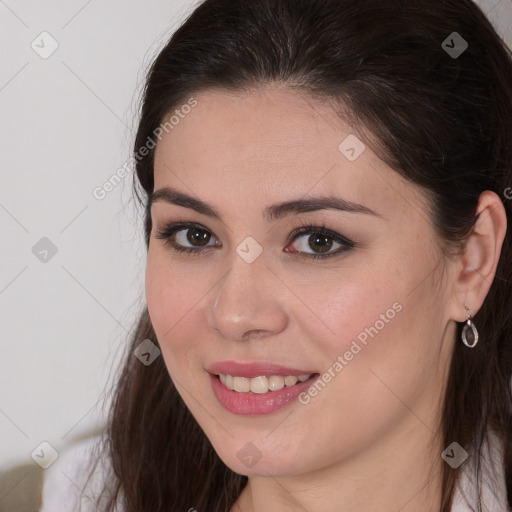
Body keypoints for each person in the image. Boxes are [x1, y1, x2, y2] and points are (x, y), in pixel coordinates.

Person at [39, 0, 512, 511]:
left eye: (317, 241)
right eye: (194, 235)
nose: (235, 314)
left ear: (471, 259)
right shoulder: (79, 496)